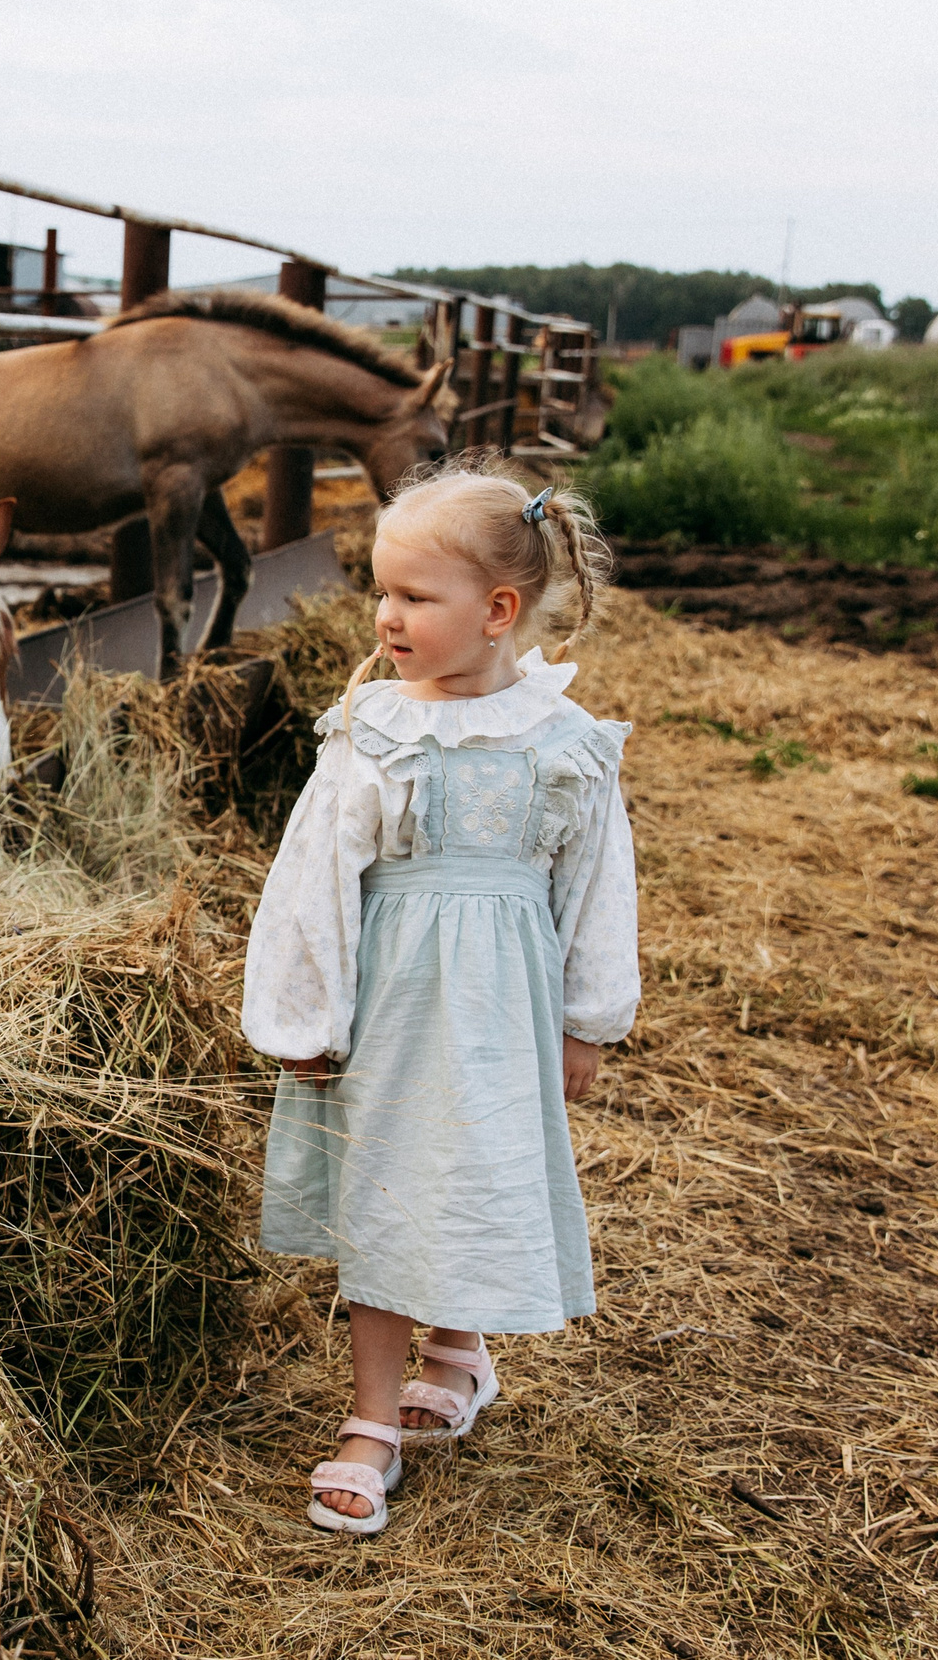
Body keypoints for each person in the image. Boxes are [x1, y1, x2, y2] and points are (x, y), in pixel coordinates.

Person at [241, 459, 639, 1535]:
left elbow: (597, 885)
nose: (386, 616)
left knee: (470, 1170)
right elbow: (312, 883)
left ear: (497, 611)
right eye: (382, 591)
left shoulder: (564, 743)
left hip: (503, 1012)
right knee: (386, 1189)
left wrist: (588, 1021)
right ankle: (371, 1421)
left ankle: (459, 1350)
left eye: (415, 597)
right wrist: (306, 1018)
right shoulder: (372, 731)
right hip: (393, 1009)